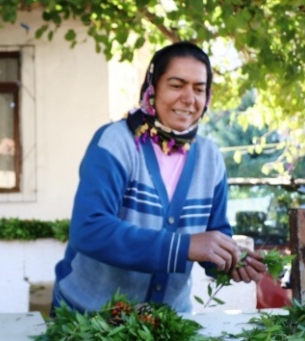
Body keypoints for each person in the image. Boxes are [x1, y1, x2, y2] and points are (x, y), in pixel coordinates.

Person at [52, 41, 267, 314]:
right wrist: (184, 246)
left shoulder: (210, 158)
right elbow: (89, 229)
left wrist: (231, 260)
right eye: (177, 85)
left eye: (199, 89)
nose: (189, 98)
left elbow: (213, 234)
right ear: (152, 89)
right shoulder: (116, 143)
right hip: (88, 316)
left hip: (167, 320)